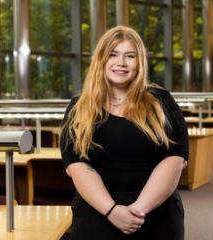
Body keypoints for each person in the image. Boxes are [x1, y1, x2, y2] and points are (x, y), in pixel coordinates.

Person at [59, 26, 189, 240]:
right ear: (101, 60)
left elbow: (176, 158)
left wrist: (138, 211)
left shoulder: (161, 101)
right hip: (96, 211)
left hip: (155, 213)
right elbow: (75, 165)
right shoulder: (78, 107)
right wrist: (112, 211)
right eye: (113, 55)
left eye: (130, 56)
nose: (121, 63)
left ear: (140, 62)